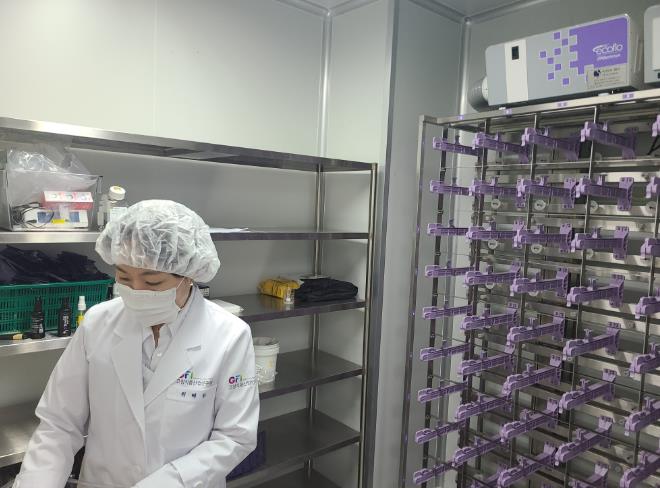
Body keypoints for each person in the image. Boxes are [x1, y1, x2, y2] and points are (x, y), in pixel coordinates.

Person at [13, 200, 259, 488]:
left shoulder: (229, 335)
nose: (137, 291)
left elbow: (234, 437)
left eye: (152, 282)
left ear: (189, 275)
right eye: (124, 277)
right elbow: (59, 423)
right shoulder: (98, 322)